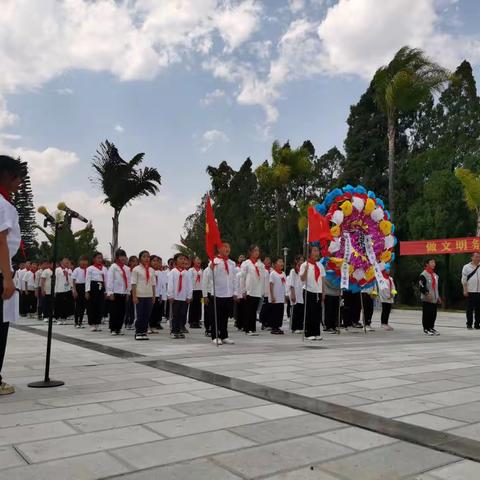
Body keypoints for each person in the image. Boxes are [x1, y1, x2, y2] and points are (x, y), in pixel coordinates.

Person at [0, 156, 23, 395]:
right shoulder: (3, 204)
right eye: (18, 177)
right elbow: (2, 242)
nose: (20, 182)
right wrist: (7, 278)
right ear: (6, 175)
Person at [300, 245, 325, 341]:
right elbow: (302, 279)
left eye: (318, 251)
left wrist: (323, 292)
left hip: (318, 292)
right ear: (309, 253)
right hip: (308, 291)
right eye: (314, 251)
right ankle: (308, 333)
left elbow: (322, 279)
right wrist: (306, 270)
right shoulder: (305, 265)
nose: (317, 253)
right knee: (309, 313)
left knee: (317, 313)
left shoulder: (320, 265)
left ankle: (316, 332)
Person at [240, 245, 265, 336]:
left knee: (254, 310)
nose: (257, 252)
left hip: (257, 290)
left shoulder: (260, 264)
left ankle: (253, 328)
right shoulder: (246, 263)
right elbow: (242, 277)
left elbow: (262, 277)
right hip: (249, 290)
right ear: (250, 252)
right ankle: (247, 329)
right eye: (255, 250)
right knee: (248, 310)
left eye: (258, 251)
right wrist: (243, 290)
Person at [131, 250, 156, 340]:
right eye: (144, 256)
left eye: (148, 257)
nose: (146, 258)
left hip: (149, 295)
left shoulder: (151, 270)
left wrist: (153, 296)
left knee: (147, 315)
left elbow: (153, 284)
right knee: (140, 315)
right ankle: (138, 332)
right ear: (140, 258)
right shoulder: (136, 269)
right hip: (139, 295)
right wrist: (134, 296)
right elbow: (133, 284)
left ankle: (144, 332)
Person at [167, 253, 193, 339]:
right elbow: (170, 284)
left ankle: (179, 329)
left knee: (182, 314)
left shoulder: (187, 273)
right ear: (175, 261)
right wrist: (170, 295)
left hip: (184, 297)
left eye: (184, 259)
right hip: (175, 297)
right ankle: (174, 331)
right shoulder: (173, 272)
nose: (183, 261)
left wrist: (189, 296)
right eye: (180, 259)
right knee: (175, 315)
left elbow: (190, 285)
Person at [107, 249, 130, 335]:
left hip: (123, 293)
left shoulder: (127, 268)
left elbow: (128, 281)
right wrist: (110, 292)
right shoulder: (113, 267)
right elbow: (110, 280)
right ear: (117, 257)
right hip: (115, 292)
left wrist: (128, 292)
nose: (123, 258)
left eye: (124, 256)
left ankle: (119, 328)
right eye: (121, 256)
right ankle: (113, 328)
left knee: (122, 312)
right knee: (114, 312)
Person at [85, 252, 108, 332]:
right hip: (93, 287)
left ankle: (97, 323)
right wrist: (87, 291)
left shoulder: (104, 268)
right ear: (94, 259)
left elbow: (106, 280)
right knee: (92, 306)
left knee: (100, 306)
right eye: (98, 258)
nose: (99, 259)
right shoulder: (90, 268)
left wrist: (106, 291)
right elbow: (87, 280)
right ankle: (92, 324)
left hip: (101, 287)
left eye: (101, 258)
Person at [419, 259, 441, 336]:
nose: (433, 264)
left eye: (434, 262)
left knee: (433, 314)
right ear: (427, 264)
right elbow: (421, 286)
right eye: (431, 262)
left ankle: (431, 327)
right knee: (427, 314)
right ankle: (426, 329)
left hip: (434, 299)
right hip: (427, 299)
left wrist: (438, 297)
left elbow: (436, 287)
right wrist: (427, 294)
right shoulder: (423, 274)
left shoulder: (435, 275)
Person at [461, 252, 480, 330]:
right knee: (470, 309)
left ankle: (477, 324)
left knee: (479, 309)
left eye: (479, 257)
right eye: (476, 257)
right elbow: (464, 279)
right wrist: (465, 290)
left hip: (479, 291)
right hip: (470, 291)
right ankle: (469, 323)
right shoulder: (466, 267)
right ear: (471, 258)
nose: (477, 258)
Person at [269, 257, 287, 334]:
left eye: (282, 262)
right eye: (279, 261)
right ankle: (274, 328)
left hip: (281, 297)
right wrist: (272, 296)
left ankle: (278, 327)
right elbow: (271, 285)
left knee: (280, 313)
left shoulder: (283, 274)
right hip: (275, 297)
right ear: (275, 264)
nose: (281, 263)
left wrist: (285, 296)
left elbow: (285, 285)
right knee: (275, 313)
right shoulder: (273, 273)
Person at [54, 258, 73, 325]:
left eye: (68, 262)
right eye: (66, 262)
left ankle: (64, 318)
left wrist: (72, 288)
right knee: (59, 305)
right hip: (59, 290)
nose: (67, 264)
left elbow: (71, 280)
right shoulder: (58, 269)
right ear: (62, 262)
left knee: (65, 305)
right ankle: (58, 318)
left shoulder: (69, 270)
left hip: (67, 289)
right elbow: (56, 280)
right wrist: (55, 290)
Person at [288, 255, 304, 334]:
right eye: (300, 260)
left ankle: (300, 327)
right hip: (295, 293)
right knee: (295, 311)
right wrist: (292, 294)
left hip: (301, 294)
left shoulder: (303, 271)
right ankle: (294, 327)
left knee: (301, 311)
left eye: (302, 260)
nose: (301, 262)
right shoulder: (293, 271)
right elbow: (291, 284)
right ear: (296, 261)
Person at [72, 255, 89, 329]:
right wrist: (74, 290)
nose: (83, 262)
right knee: (78, 306)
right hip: (78, 287)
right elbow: (73, 281)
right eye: (82, 260)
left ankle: (80, 322)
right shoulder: (77, 270)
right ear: (79, 262)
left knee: (83, 306)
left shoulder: (88, 270)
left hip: (85, 287)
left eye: (85, 261)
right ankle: (76, 322)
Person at [148, 255, 163, 333]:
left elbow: (160, 285)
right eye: (154, 261)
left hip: (157, 295)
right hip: (150, 294)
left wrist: (160, 295)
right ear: (150, 262)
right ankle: (148, 326)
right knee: (149, 311)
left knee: (155, 311)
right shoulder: (149, 270)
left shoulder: (160, 272)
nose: (156, 262)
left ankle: (153, 326)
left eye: (157, 261)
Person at [188, 256, 203, 328]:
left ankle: (197, 320)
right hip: (193, 290)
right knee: (193, 306)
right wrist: (190, 293)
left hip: (200, 290)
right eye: (197, 259)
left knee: (199, 306)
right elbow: (189, 282)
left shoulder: (202, 270)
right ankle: (192, 321)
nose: (199, 261)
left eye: (200, 259)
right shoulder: (191, 270)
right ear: (193, 261)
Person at [124, 255, 138, 330]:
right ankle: (127, 322)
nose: (135, 263)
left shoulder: (137, 271)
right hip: (129, 290)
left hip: (135, 290)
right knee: (128, 307)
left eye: (136, 261)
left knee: (134, 307)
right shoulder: (128, 270)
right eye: (133, 261)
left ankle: (133, 322)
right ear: (129, 262)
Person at [260, 256, 272, 330]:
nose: (268, 261)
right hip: (265, 291)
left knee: (270, 308)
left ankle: (269, 322)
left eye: (269, 260)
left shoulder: (272, 270)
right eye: (267, 260)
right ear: (263, 261)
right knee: (264, 308)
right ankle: (263, 322)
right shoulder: (262, 270)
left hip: (271, 292)